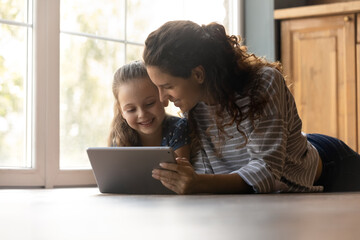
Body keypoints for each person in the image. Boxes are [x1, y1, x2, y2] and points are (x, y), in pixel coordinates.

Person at [143, 20, 360, 194]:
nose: (163, 99)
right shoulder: (193, 103)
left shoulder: (263, 82)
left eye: (168, 86)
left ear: (198, 74)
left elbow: (266, 172)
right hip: (284, 143)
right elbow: (209, 172)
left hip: (328, 164)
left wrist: (198, 183)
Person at [108, 60, 190, 160]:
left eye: (149, 104)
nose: (142, 114)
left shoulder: (178, 128)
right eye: (131, 109)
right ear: (122, 112)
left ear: (163, 99)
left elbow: (180, 173)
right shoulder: (120, 138)